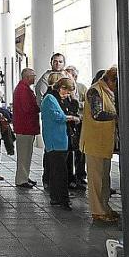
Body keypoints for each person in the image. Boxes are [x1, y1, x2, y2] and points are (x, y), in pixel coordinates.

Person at [80, 67, 120, 223]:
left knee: (104, 179)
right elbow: (97, 114)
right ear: (110, 80)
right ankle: (98, 211)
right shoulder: (95, 91)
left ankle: (105, 207)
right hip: (94, 141)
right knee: (96, 180)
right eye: (116, 84)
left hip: (104, 142)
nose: (116, 88)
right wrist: (118, 116)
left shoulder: (107, 92)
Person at [41, 77, 78, 210]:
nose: (67, 95)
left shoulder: (53, 98)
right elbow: (58, 116)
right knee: (60, 172)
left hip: (58, 140)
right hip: (55, 140)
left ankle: (56, 197)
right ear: (61, 88)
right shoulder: (50, 99)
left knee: (56, 171)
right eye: (67, 92)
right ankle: (63, 199)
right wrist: (71, 117)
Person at [13, 68, 40, 188]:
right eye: (33, 76)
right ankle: (21, 179)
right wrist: (38, 107)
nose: (35, 78)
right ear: (27, 77)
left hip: (27, 127)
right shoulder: (23, 90)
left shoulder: (24, 88)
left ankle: (24, 176)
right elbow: (27, 108)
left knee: (27, 154)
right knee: (24, 155)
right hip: (25, 127)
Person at [65, 65, 88, 188]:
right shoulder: (64, 89)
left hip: (81, 121)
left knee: (80, 150)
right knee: (69, 150)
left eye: (71, 76)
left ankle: (80, 175)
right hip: (69, 122)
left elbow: (88, 103)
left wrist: (78, 103)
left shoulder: (82, 87)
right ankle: (69, 176)